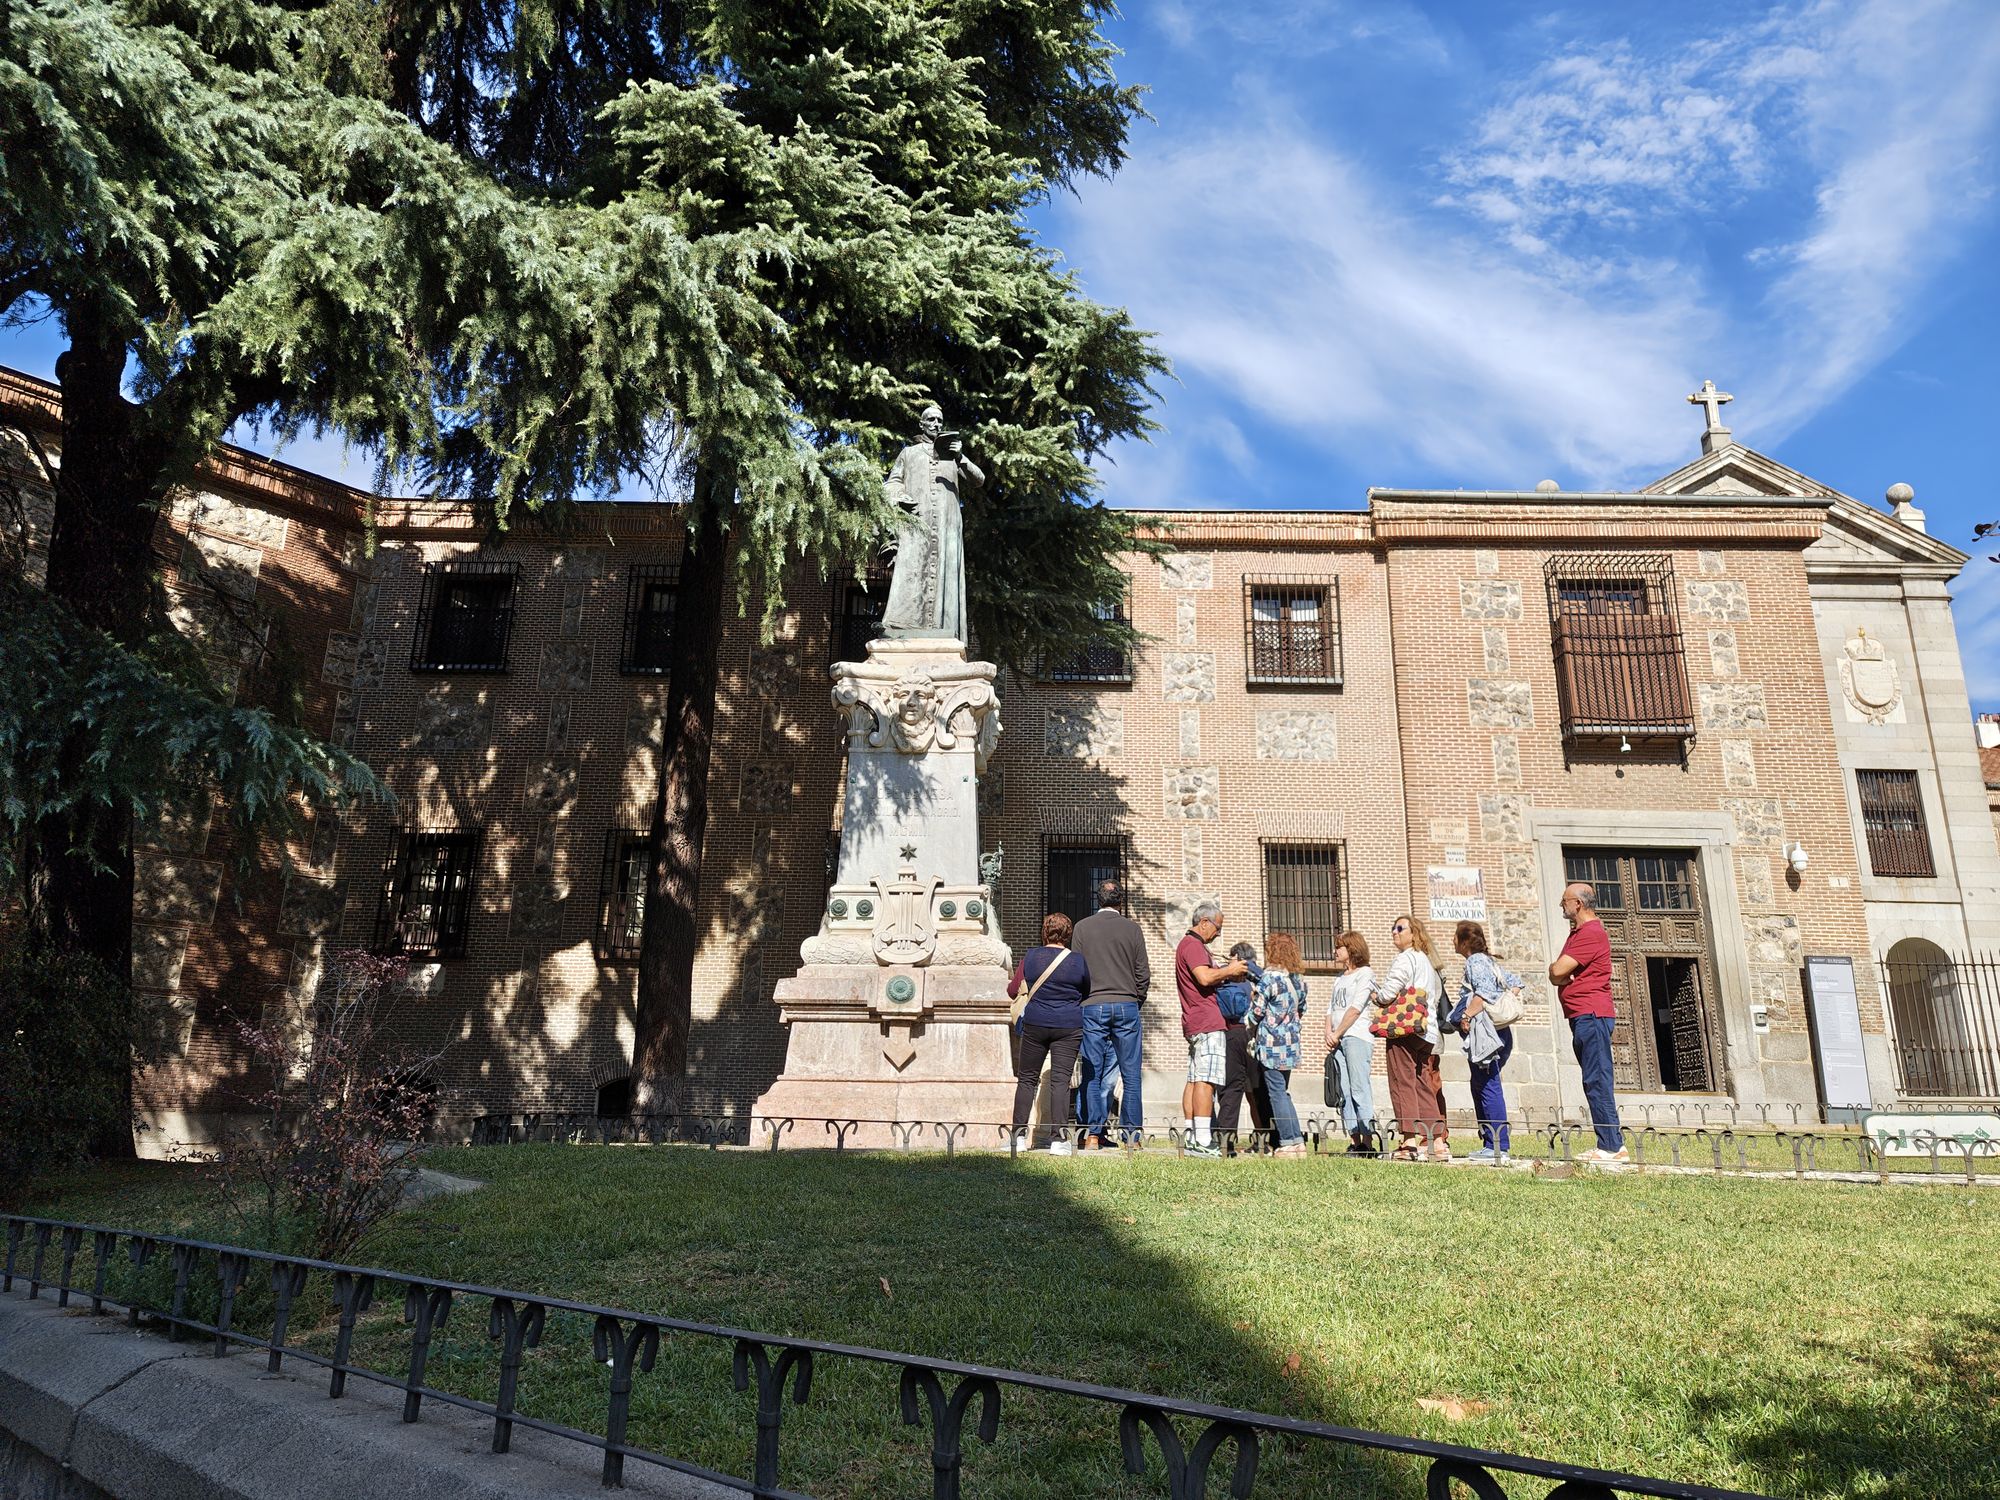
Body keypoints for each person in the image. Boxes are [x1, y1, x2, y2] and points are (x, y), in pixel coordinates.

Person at [881, 403, 983, 641]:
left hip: (947, 524)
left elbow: (979, 480)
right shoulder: (908, 453)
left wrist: (960, 457)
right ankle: (901, 625)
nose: (936, 424)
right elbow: (891, 483)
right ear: (922, 424)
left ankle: (943, 628)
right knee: (912, 569)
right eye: (931, 420)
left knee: (944, 573)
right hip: (917, 521)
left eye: (940, 420)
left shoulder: (953, 457)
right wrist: (899, 497)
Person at [1550, 882, 1627, 1164]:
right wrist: (1559, 975)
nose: (1562, 904)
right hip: (1583, 1014)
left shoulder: (1590, 933)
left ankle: (1611, 1147)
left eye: (1565, 900)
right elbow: (1559, 973)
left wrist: (1559, 973)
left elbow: (1557, 970)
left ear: (1578, 904)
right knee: (1593, 1078)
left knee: (1597, 1079)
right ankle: (1609, 1143)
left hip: (1591, 1014)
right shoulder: (1580, 932)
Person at [1069, 879, 1149, 1148]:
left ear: (1098, 899)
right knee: (1131, 1074)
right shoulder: (1133, 929)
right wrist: (1136, 999)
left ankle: (1092, 1134)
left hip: (1093, 1004)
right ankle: (1132, 1137)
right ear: (1120, 901)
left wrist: (1084, 999)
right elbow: (1142, 973)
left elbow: (1076, 971)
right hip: (1126, 1003)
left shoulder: (1082, 928)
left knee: (1092, 1071)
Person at [1005, 913, 1090, 1155]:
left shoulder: (1030, 957)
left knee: (1027, 1079)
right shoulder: (1078, 961)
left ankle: (1018, 1138)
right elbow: (1087, 990)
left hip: (1036, 1023)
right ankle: (1058, 1140)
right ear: (1068, 935)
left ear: (1044, 932)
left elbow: (1013, 990)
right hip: (1068, 1025)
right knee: (1060, 1081)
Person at [1374, 914, 1449, 1161]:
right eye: (1393, 928)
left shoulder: (1405, 958)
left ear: (1413, 934)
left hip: (1403, 1028)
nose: (1394, 932)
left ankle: (1408, 1143)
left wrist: (1378, 997)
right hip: (1426, 1030)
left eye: (1399, 928)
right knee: (1422, 1082)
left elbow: (1389, 992)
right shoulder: (1427, 962)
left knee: (1401, 1080)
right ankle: (1437, 1142)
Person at [1174, 901, 1246, 1158]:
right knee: (1206, 1080)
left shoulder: (1188, 945)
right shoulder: (1193, 945)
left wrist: (1227, 974)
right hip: (1206, 1021)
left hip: (1195, 1021)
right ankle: (1203, 1139)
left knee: (1194, 1079)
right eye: (1217, 927)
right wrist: (1231, 969)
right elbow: (1204, 978)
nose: (1218, 933)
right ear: (1203, 922)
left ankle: (1193, 1135)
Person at [1448, 921, 1519, 1164]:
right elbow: (1516, 984)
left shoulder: (1475, 961)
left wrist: (1468, 1014)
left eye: (1455, 937)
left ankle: (1497, 1146)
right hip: (1500, 1031)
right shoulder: (1489, 961)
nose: (1452, 941)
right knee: (1481, 1083)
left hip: (1485, 1033)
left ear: (1465, 941)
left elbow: (1485, 992)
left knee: (1488, 1084)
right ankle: (1491, 1142)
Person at [1249, 932, 1309, 1156]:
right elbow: (1301, 1010)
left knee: (1276, 1093)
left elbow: (1256, 1012)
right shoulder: (1299, 981)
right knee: (1282, 1091)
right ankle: (1298, 1141)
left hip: (1272, 1044)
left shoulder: (1269, 979)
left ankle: (1287, 1142)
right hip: (1291, 1044)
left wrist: (1250, 1017)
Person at [1213, 940, 1270, 1152]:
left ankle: (1225, 1141)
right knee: (1257, 1090)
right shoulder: (1259, 978)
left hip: (1230, 1034)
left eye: (1233, 958)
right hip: (1254, 1035)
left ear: (1239, 958)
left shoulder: (1226, 978)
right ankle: (1266, 1140)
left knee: (1230, 1089)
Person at [1326, 931, 1377, 1155]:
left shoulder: (1365, 974)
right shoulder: (1339, 977)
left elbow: (1356, 1008)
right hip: (1338, 1038)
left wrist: (1337, 1033)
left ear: (1352, 949)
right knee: (1343, 1090)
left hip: (1356, 1036)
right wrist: (1329, 1032)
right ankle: (1354, 1140)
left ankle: (1368, 1140)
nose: (1335, 951)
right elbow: (1330, 1009)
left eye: (1340, 947)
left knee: (1359, 1087)